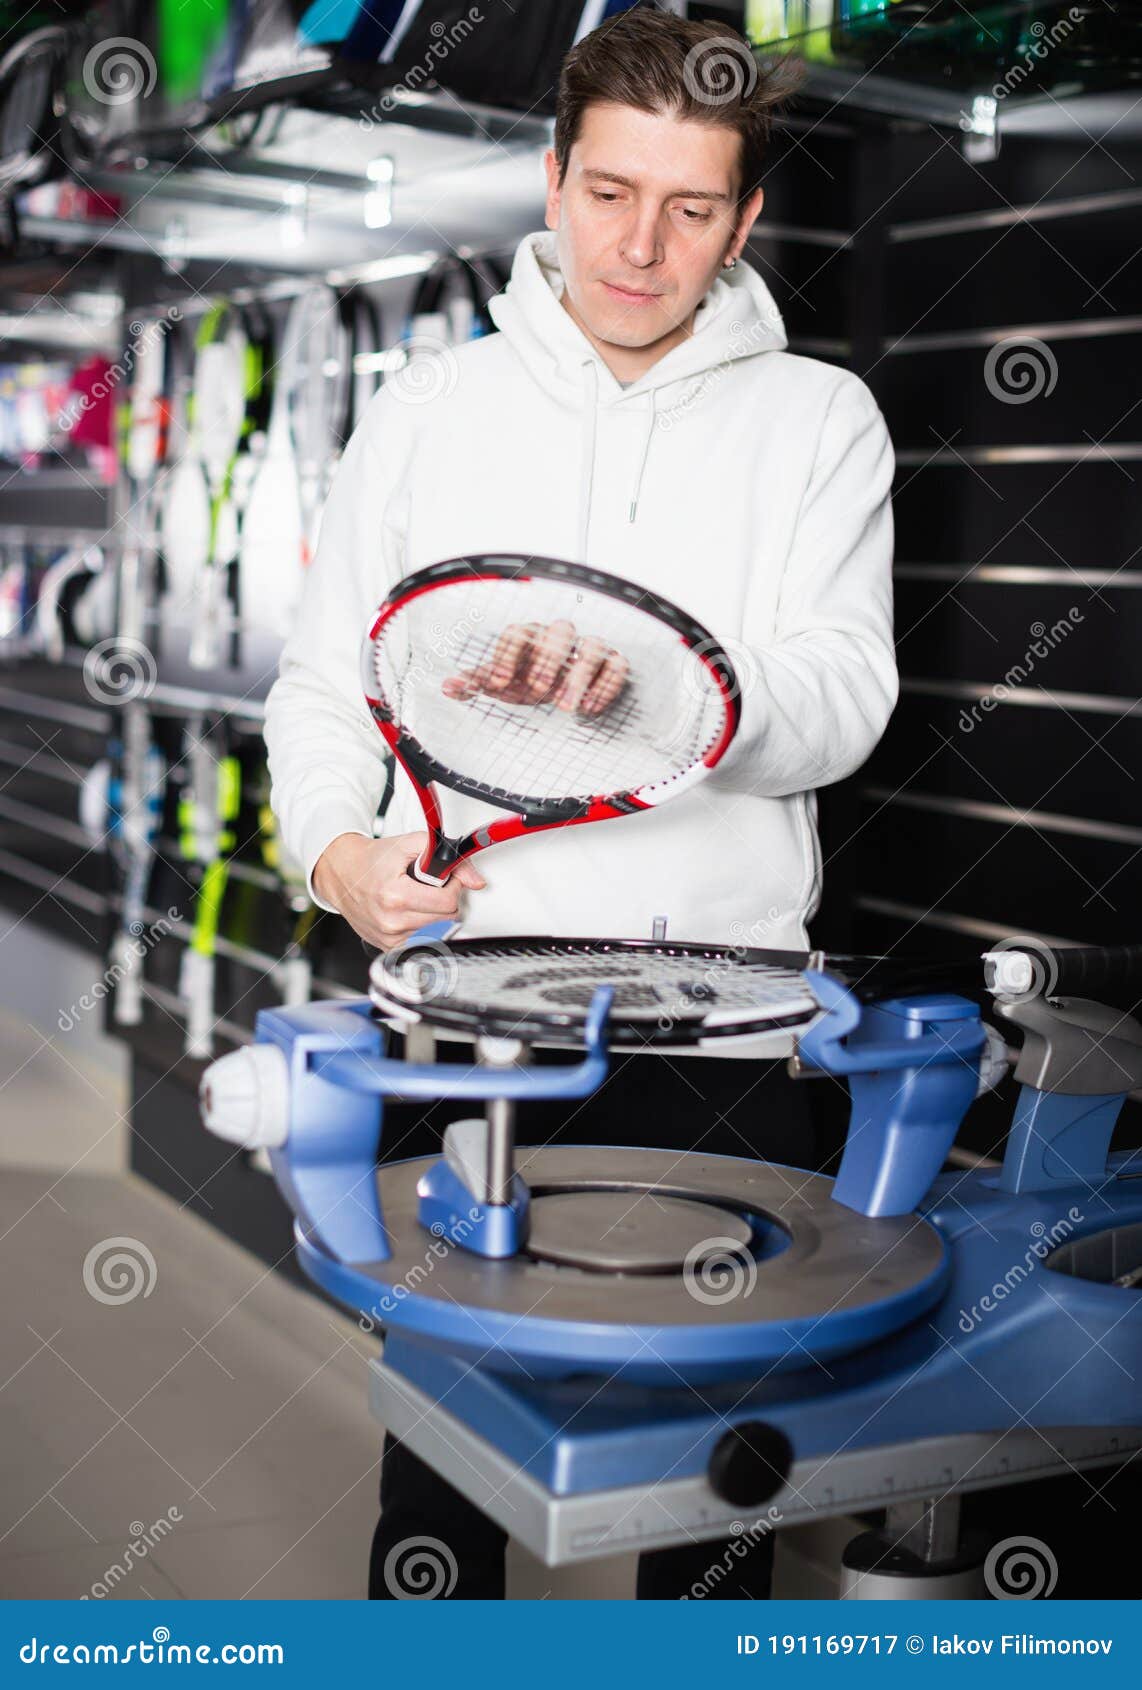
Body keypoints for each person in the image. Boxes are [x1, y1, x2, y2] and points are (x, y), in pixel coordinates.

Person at [263, 8, 898, 1600]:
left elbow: (844, 702)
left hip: (728, 1042)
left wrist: (659, 694)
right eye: (611, 194)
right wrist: (338, 853)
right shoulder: (424, 409)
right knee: (441, 1484)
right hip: (472, 1029)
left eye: (692, 209)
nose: (642, 246)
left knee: (710, 1506)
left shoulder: (821, 421)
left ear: (746, 217)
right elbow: (325, 686)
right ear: (552, 181)